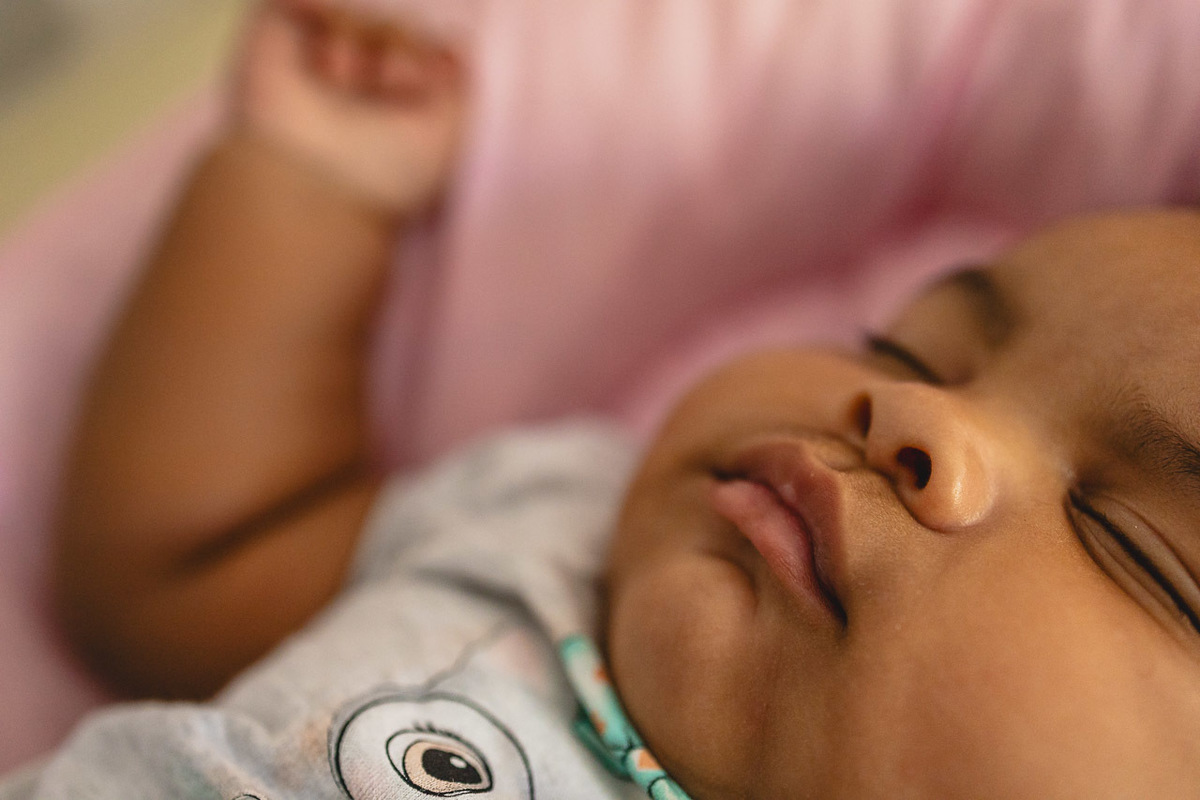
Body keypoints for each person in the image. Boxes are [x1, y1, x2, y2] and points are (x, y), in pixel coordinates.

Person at [4, 0, 1199, 797]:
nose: (920, 418)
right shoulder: (553, 528)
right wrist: (306, 188)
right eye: (910, 349)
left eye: (1130, 544)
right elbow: (189, 555)